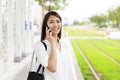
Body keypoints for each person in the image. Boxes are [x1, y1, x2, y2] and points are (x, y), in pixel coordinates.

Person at [33, 11, 73, 80]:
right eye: (51, 22)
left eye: (58, 21)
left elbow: (68, 69)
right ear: (46, 26)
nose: (55, 25)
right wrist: (52, 43)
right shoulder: (39, 46)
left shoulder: (65, 44)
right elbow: (52, 68)